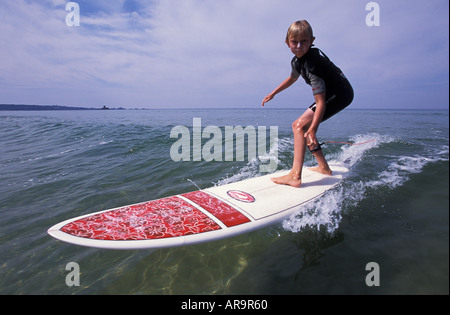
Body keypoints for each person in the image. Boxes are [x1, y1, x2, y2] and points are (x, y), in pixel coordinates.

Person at [262, 20, 353, 188]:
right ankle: (324, 168)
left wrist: (312, 128)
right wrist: (273, 93)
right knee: (304, 128)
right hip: (332, 93)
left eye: (304, 41)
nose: (299, 46)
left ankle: (295, 176)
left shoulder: (312, 65)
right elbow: (292, 78)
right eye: (294, 41)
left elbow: (321, 102)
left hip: (341, 94)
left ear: (312, 40)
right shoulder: (297, 61)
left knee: (299, 126)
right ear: (287, 42)